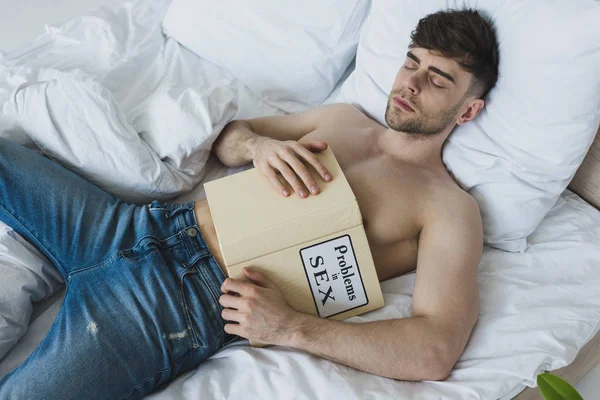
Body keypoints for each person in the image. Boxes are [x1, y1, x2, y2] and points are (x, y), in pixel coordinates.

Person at [0, 8, 499, 399]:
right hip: (129, 226)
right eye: (411, 62)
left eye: (438, 79)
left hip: (173, 309)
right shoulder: (346, 118)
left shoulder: (449, 208)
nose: (410, 83)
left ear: (469, 109)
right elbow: (231, 137)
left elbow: (435, 348)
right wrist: (258, 147)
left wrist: (292, 329)